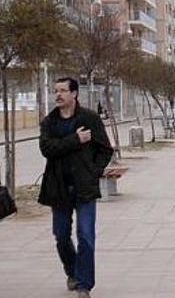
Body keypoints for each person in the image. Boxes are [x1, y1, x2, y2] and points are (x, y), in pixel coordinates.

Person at [38, 77, 114, 298]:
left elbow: (105, 150)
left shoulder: (89, 118)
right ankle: (72, 271)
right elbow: (47, 148)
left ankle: (84, 285)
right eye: (56, 91)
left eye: (62, 90)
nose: (58, 95)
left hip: (84, 188)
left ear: (74, 94)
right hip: (58, 187)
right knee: (61, 235)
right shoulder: (49, 122)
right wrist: (76, 139)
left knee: (86, 236)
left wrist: (93, 171)